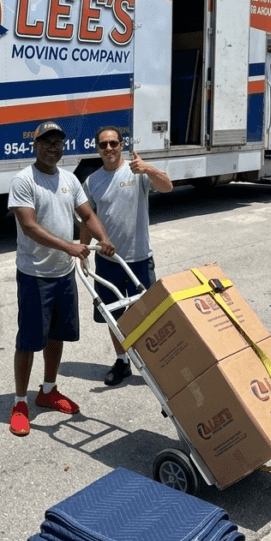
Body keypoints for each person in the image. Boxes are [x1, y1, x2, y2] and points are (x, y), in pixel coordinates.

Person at [7, 121, 115, 436]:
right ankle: (19, 402)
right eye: (47, 142)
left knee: (56, 335)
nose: (54, 148)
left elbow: (88, 214)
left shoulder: (69, 179)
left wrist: (103, 238)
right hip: (35, 274)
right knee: (28, 340)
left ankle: (48, 391)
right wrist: (69, 245)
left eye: (58, 143)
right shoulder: (24, 180)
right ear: (35, 145)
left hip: (63, 274)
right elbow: (29, 227)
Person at [80, 126, 173, 386]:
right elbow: (87, 219)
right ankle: (122, 362)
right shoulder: (92, 182)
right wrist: (83, 252)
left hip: (140, 258)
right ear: (97, 149)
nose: (109, 148)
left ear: (121, 145)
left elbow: (167, 187)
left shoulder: (136, 171)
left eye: (113, 143)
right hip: (108, 261)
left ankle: (157, 363)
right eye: (103, 145)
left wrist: (149, 169)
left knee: (148, 315)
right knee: (113, 315)